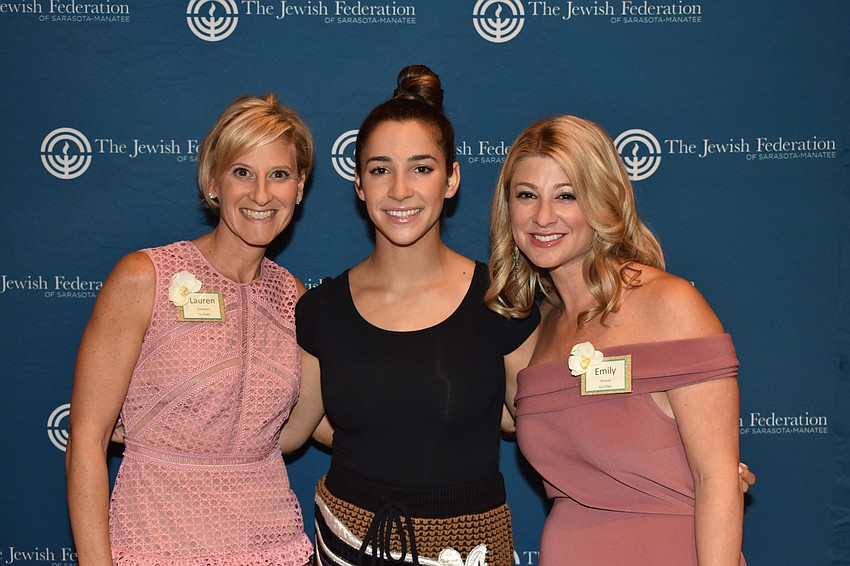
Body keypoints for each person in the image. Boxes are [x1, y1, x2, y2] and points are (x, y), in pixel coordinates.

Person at [277, 65, 540, 566]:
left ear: (452, 178)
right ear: (358, 184)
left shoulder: (501, 301)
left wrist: (683, 463)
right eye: (380, 169)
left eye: (421, 167)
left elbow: (554, 424)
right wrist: (157, 426)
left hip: (471, 548)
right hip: (345, 545)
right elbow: (290, 431)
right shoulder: (321, 310)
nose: (400, 190)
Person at [65, 94, 315, 565]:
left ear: (299, 187)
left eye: (278, 175)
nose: (261, 194)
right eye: (242, 172)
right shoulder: (145, 277)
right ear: (212, 180)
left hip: (274, 548)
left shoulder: (292, 297)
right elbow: (87, 437)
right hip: (156, 544)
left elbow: (311, 424)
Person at [485, 115, 747, 565]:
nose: (543, 216)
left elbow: (717, 481)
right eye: (526, 195)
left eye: (566, 195)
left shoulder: (669, 303)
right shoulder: (537, 328)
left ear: (601, 199)